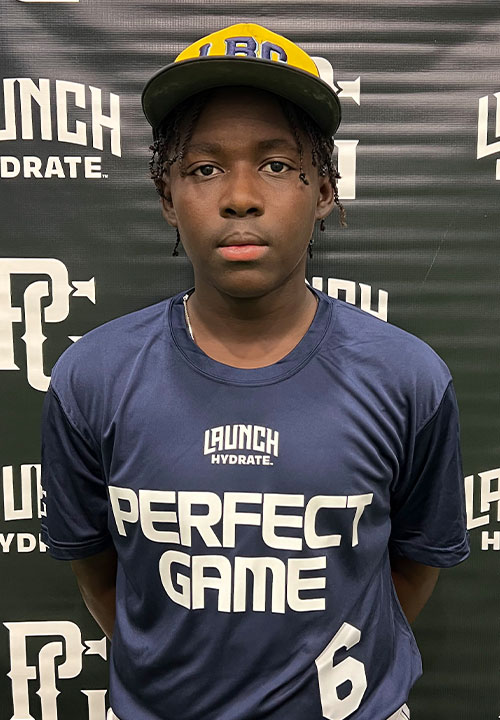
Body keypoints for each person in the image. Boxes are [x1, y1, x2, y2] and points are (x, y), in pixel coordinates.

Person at [40, 22, 470, 720]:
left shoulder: (407, 377)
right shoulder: (92, 377)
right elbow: (96, 569)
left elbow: (414, 565)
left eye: (275, 165)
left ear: (324, 190)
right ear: (167, 197)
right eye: (204, 168)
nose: (240, 196)